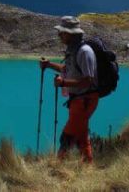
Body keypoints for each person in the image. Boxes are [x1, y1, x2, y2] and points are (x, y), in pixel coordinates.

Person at [40, 16, 99, 163]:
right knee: (81, 136)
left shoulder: (85, 52)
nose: (59, 35)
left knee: (67, 137)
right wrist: (48, 65)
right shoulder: (73, 50)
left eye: (62, 32)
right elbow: (67, 69)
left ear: (72, 34)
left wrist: (63, 83)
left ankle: (57, 167)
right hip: (78, 100)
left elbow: (88, 81)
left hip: (85, 100)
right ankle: (88, 166)